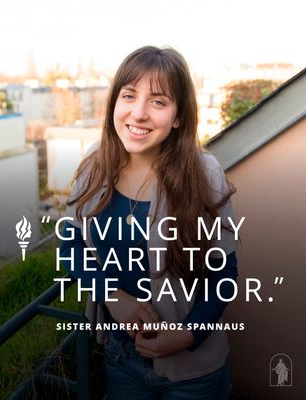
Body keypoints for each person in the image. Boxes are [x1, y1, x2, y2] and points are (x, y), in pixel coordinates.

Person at [61, 46, 238, 400]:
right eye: (129, 96)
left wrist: (188, 335)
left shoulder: (205, 174)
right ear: (114, 102)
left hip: (192, 370)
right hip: (119, 357)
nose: (138, 113)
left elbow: (225, 272)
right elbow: (70, 247)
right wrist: (112, 295)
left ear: (177, 117)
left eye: (158, 102)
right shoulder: (95, 165)